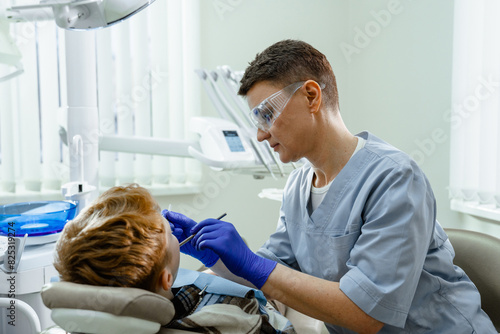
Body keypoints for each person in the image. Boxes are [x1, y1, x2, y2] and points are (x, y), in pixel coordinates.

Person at [164, 40, 497, 333]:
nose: (261, 135)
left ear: (311, 96)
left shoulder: (395, 178)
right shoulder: (297, 187)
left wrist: (252, 263)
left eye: (267, 115)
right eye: (256, 120)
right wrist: (220, 259)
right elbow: (276, 270)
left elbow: (366, 313)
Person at [54, 184, 296, 334]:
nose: (171, 230)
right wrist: (255, 272)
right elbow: (276, 320)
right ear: (167, 278)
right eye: (169, 232)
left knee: (212, 269)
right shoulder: (236, 321)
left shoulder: (94, 318)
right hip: (259, 303)